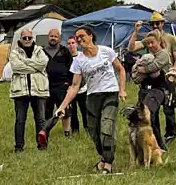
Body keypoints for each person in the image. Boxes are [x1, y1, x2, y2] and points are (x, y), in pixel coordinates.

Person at [53, 27, 126, 173]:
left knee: (107, 128)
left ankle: (108, 164)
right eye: (77, 38)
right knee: (94, 132)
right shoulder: (79, 60)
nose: (79, 40)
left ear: (91, 36)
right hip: (92, 97)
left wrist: (122, 89)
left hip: (110, 93)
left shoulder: (107, 51)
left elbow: (121, 69)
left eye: (82, 36)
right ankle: (104, 158)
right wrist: (62, 106)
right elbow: (74, 86)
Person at [6, 27, 50, 153]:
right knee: (20, 120)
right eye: (24, 38)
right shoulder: (14, 52)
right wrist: (35, 67)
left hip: (38, 90)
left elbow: (43, 64)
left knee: (41, 119)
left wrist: (25, 62)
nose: (27, 40)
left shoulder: (40, 50)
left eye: (29, 38)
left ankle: (42, 146)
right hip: (20, 91)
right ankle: (19, 147)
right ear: (20, 39)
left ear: (33, 38)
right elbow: (17, 67)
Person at [131, 29, 176, 147]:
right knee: (142, 115)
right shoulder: (148, 55)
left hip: (161, 88)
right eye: (148, 43)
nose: (150, 46)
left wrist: (140, 70)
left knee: (152, 114)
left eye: (153, 43)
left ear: (159, 42)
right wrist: (136, 31)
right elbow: (130, 48)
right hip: (146, 88)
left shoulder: (164, 54)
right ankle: (146, 142)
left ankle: (161, 144)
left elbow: (153, 67)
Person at [44, 26, 76, 137]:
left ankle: (67, 132)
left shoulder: (64, 51)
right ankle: (45, 131)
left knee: (65, 109)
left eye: (55, 36)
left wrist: (69, 82)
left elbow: (72, 67)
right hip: (46, 85)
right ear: (48, 37)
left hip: (62, 85)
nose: (53, 38)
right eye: (51, 36)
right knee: (46, 110)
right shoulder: (42, 51)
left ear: (59, 38)